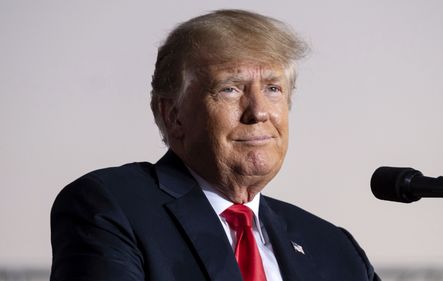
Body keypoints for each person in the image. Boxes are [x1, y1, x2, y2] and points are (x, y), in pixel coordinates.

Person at [50, 9, 380, 281]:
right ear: (173, 114)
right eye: (230, 89)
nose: (259, 111)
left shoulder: (335, 249)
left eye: (273, 89)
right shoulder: (111, 208)